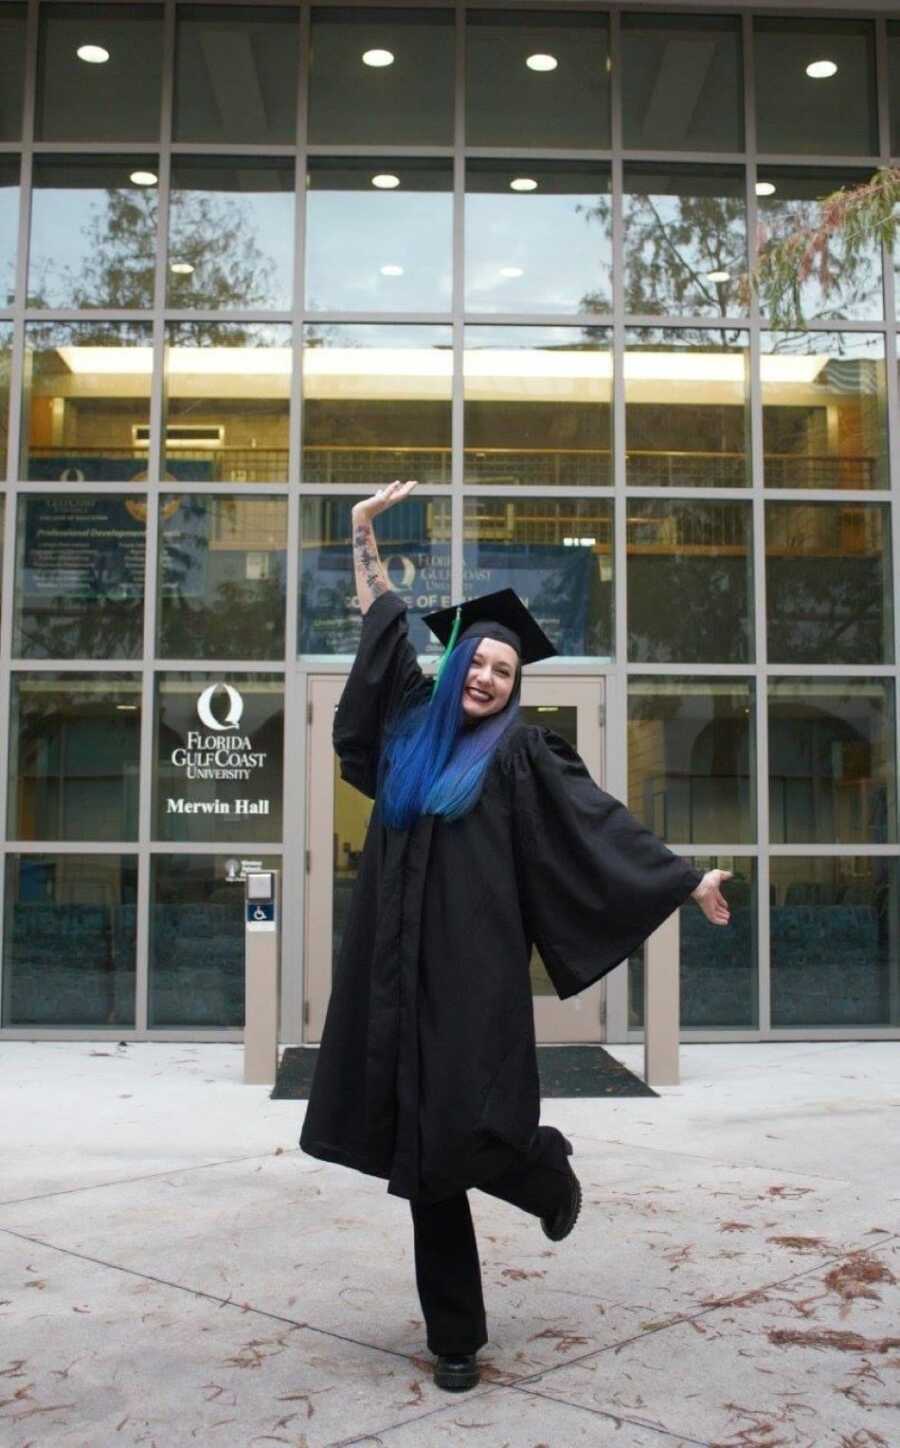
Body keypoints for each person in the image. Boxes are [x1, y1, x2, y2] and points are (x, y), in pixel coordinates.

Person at [299, 479, 731, 1394]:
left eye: (506, 670)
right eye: (480, 663)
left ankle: (542, 1173)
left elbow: (594, 823)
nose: (491, 676)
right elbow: (381, 626)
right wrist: (361, 536)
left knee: (474, 1125)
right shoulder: (409, 731)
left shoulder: (520, 756)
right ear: (457, 665)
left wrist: (685, 879)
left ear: (513, 686)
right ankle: (457, 1336)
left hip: (473, 977)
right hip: (393, 972)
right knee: (422, 1162)